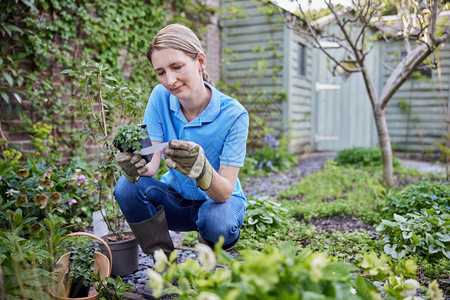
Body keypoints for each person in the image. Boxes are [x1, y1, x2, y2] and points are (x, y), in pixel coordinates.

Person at [114, 24, 249, 258]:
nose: (170, 80)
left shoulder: (234, 114)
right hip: (175, 202)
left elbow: (224, 193)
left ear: (200, 61)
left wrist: (202, 171)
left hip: (218, 204)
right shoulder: (159, 97)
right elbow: (151, 164)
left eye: (176, 67)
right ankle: (164, 264)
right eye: (161, 72)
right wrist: (133, 164)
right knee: (126, 186)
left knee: (217, 219)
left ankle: (211, 258)